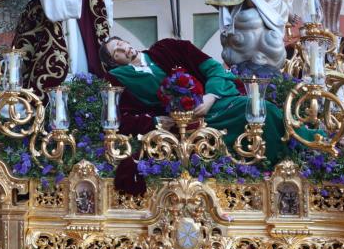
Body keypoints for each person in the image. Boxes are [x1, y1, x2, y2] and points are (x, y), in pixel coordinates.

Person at [99, 36, 323, 195]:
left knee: (262, 110)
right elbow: (122, 117)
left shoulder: (169, 48)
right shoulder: (118, 79)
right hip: (183, 128)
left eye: (121, 43)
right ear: (113, 63)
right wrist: (158, 121)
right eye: (116, 52)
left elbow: (214, 69)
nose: (123, 49)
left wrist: (210, 96)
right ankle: (267, 172)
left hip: (217, 103)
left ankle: (305, 151)